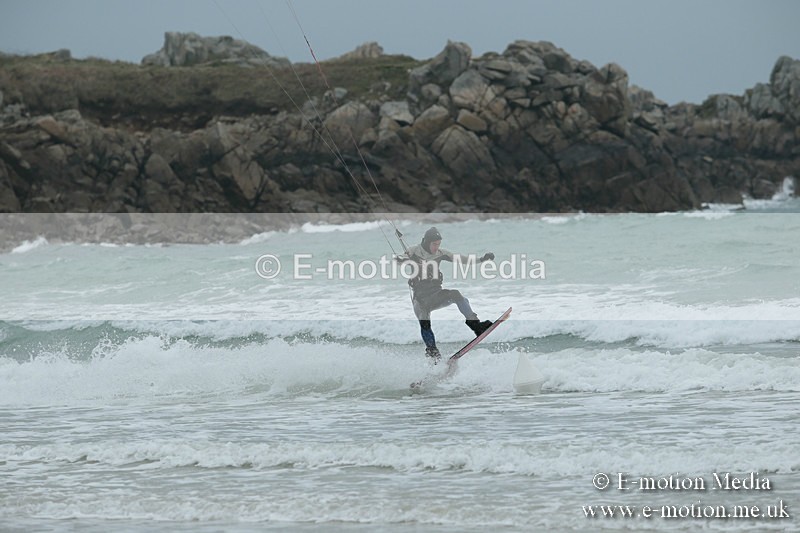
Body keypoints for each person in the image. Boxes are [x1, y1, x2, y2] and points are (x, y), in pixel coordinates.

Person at [396, 227, 495, 362]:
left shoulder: (441, 253)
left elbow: (461, 259)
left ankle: (476, 326)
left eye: (438, 244)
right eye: (434, 244)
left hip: (436, 294)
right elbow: (400, 258)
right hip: (420, 299)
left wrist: (482, 259)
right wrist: (401, 260)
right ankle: (432, 352)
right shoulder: (414, 251)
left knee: (456, 294)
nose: (437, 247)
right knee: (424, 322)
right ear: (426, 242)